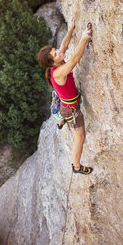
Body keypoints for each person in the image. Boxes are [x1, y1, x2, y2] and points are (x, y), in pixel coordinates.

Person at [38, 18, 93, 175]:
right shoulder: (58, 72)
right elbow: (74, 59)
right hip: (71, 109)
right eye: (56, 54)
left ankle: (60, 120)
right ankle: (76, 166)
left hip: (65, 104)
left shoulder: (56, 63)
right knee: (80, 137)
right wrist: (83, 38)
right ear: (52, 63)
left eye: (55, 50)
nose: (59, 52)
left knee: (61, 107)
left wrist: (71, 29)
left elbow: (64, 45)